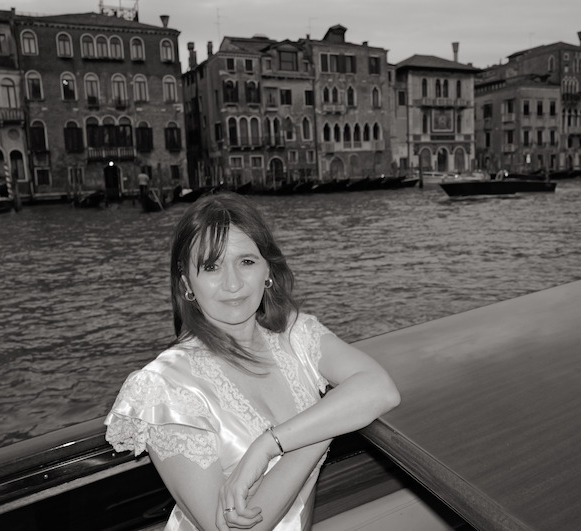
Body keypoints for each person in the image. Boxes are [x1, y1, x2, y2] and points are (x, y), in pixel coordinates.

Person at [105, 192, 400, 531]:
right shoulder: (163, 388)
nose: (232, 284)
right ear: (187, 283)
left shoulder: (295, 335)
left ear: (267, 270)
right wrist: (324, 426)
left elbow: (380, 388)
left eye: (246, 261)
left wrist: (267, 446)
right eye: (211, 267)